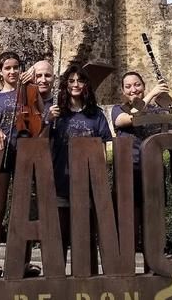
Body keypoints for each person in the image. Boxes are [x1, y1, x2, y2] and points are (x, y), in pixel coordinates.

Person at [45, 65, 113, 274]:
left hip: (88, 185)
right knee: (61, 236)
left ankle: (88, 281)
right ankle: (58, 283)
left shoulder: (96, 115)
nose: (76, 85)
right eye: (71, 81)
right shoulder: (57, 113)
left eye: (80, 81)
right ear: (66, 84)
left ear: (86, 86)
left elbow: (102, 150)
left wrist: (100, 180)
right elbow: (40, 142)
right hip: (61, 182)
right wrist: (48, 120)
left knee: (86, 236)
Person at [0, 51, 40, 278]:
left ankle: (24, 262)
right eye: (8, 68)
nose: (12, 71)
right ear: (0, 71)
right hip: (0, 154)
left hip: (24, 153)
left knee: (23, 209)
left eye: (16, 67)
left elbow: (40, 115)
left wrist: (32, 84)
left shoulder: (29, 91)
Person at [110, 70, 171, 255]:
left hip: (153, 170)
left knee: (153, 222)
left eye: (137, 85)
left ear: (143, 86)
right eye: (128, 86)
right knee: (129, 221)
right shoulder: (118, 110)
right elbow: (127, 120)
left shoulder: (158, 111)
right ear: (122, 91)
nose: (133, 89)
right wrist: (152, 94)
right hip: (129, 172)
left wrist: (168, 105)